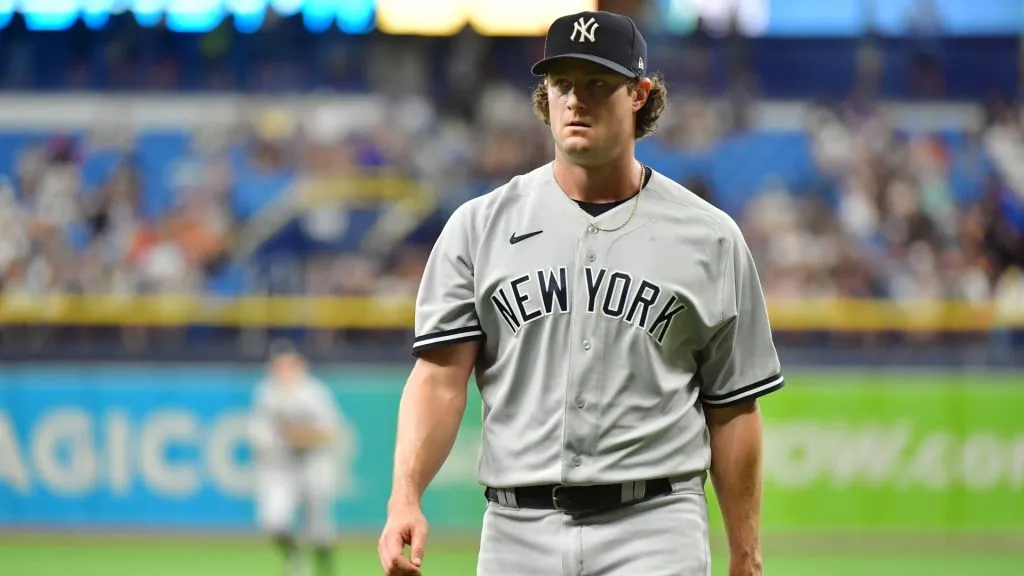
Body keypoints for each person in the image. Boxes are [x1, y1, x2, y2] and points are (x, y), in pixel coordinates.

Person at [378, 10, 784, 576]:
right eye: (562, 83)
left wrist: (746, 550)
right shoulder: (479, 225)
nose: (575, 100)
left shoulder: (710, 237)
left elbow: (735, 407)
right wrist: (406, 494)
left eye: (598, 83)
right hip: (517, 530)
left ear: (640, 94)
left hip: (655, 525)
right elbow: (439, 378)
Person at [250, 339, 344, 576]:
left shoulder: (314, 391)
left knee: (320, 530)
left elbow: (330, 431)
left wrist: (298, 436)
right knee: (274, 522)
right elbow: (259, 436)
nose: (283, 368)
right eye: (278, 364)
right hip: (280, 467)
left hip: (313, 463)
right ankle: (294, 555)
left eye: (288, 363)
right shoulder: (266, 392)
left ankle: (325, 569)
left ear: (298, 363)